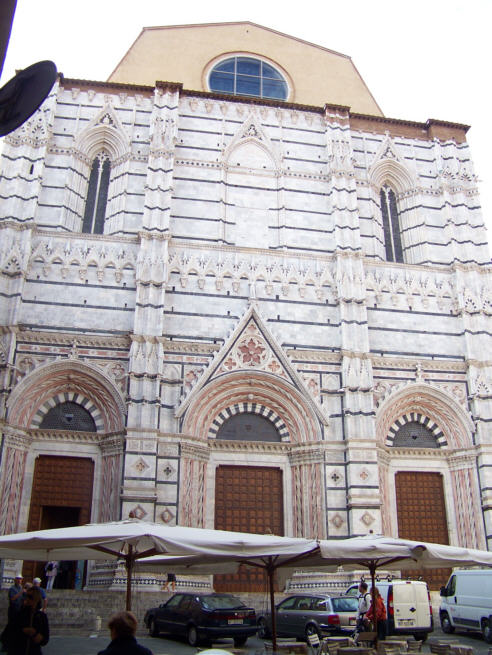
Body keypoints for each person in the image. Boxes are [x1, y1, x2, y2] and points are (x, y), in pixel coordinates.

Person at [8, 587, 49, 655]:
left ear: (37, 599)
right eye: (26, 596)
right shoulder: (19, 615)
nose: (27, 599)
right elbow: (7, 635)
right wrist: (22, 631)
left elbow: (45, 640)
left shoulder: (41, 617)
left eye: (30, 597)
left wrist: (35, 634)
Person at [0, 574, 24, 651]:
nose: (19, 580)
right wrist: (20, 593)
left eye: (20, 579)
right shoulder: (12, 589)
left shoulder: (21, 588)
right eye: (18, 579)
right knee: (10, 626)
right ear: (15, 580)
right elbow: (12, 599)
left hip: (19, 610)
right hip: (13, 610)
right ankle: (5, 642)